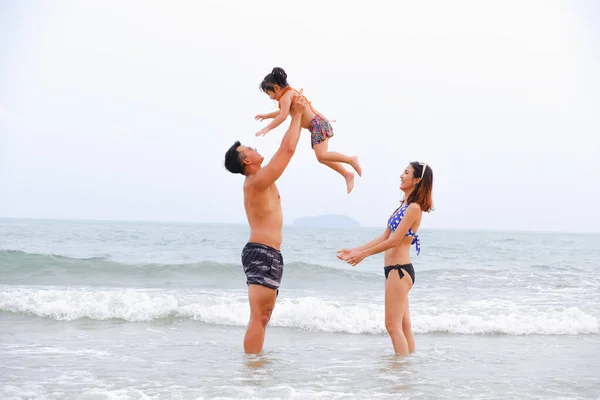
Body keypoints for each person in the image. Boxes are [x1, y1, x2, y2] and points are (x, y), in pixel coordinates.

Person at [223, 93, 308, 354]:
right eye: (249, 148)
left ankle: (255, 368)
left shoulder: (261, 179)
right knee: (259, 317)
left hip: (269, 253)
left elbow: (285, 151)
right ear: (246, 161)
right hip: (261, 252)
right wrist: (297, 115)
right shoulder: (257, 181)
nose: (254, 148)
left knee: (264, 316)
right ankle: (252, 372)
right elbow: (287, 150)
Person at [337, 162, 433, 355]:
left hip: (399, 270)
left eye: (406, 173)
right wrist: (355, 250)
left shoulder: (414, 208)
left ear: (416, 180)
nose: (401, 175)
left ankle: (399, 375)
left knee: (392, 326)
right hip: (394, 271)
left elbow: (394, 241)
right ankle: (407, 373)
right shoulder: (403, 206)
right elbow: (384, 237)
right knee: (404, 326)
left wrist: (363, 255)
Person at [254, 67, 362, 194]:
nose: (271, 98)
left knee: (322, 155)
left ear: (276, 88)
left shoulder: (285, 97)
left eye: (269, 94)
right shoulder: (289, 93)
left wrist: (268, 128)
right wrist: (266, 116)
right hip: (317, 124)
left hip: (317, 124)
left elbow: (283, 116)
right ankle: (347, 174)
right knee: (321, 157)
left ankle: (351, 160)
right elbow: (282, 112)